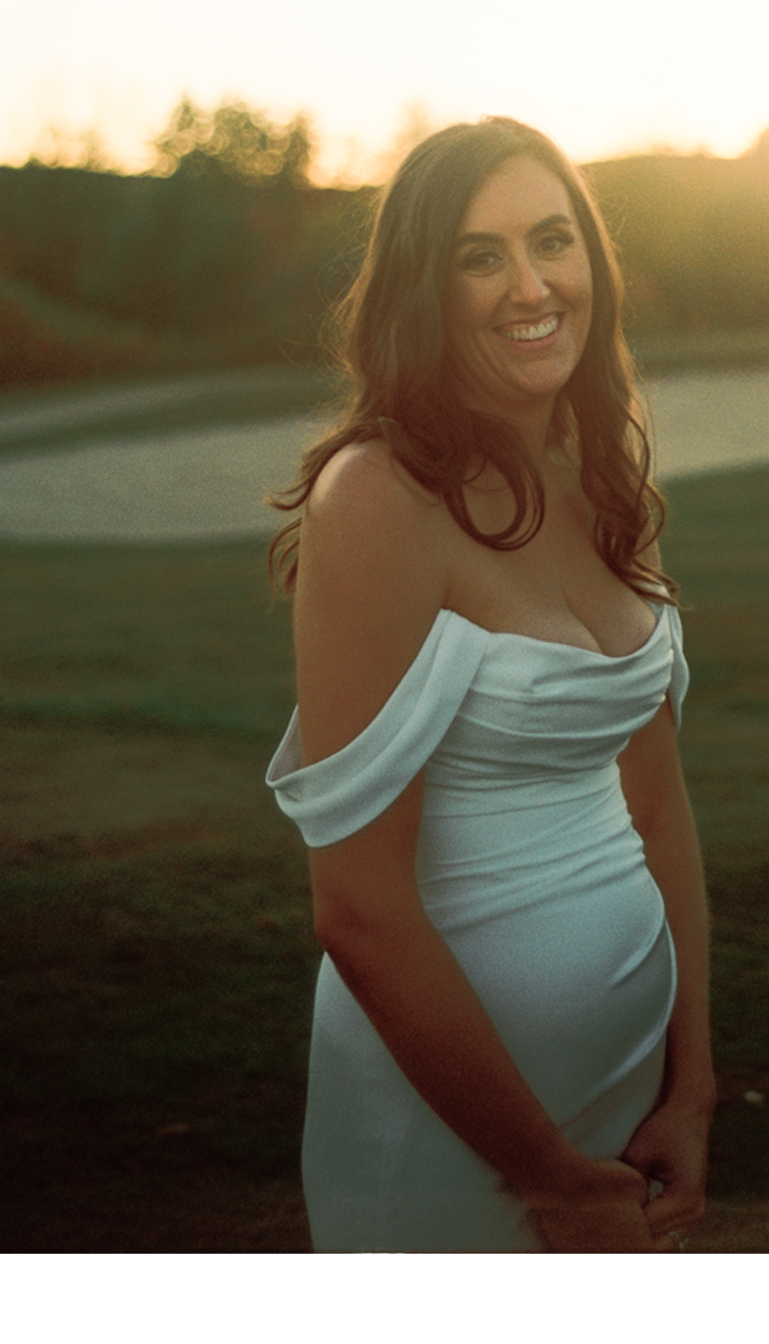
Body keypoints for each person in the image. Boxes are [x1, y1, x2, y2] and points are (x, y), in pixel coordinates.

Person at [264, 115, 713, 1252]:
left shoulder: (598, 466)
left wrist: (692, 1087)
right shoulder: (378, 499)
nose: (531, 284)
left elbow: (657, 807)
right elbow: (357, 910)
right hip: (448, 1141)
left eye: (553, 240)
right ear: (426, 288)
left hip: (620, 1106)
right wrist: (547, 1177)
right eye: (481, 255)